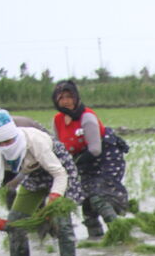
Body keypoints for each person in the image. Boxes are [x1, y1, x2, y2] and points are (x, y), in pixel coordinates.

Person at [0, 109, 84, 256]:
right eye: (0, 143)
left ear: (14, 135)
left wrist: (53, 199)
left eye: (8, 141)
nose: (5, 146)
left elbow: (59, 174)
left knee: (62, 220)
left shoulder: (35, 141)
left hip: (59, 166)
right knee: (15, 222)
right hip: (34, 172)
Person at [51, 80, 129, 239]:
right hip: (82, 160)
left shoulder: (86, 117)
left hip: (106, 157)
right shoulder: (57, 120)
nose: (66, 101)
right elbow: (58, 146)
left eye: (69, 97)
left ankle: (121, 235)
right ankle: (96, 239)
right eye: (62, 98)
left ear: (76, 97)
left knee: (98, 197)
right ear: (56, 100)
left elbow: (95, 149)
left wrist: (72, 164)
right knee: (87, 203)